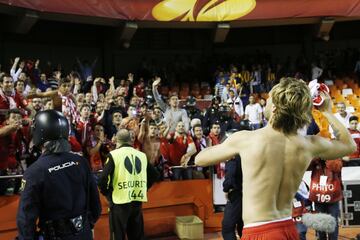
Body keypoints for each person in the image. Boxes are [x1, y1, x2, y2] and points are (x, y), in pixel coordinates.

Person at [195, 77, 356, 240]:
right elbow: (350, 146)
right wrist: (327, 111)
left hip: (259, 231)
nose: (266, 101)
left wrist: (230, 145)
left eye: (270, 98)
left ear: (275, 108)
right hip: (288, 228)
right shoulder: (308, 144)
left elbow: (200, 159)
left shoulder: (246, 139)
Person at [17, 110, 101, 240]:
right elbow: (96, 206)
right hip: (84, 233)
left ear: (38, 132)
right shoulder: (81, 162)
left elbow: (26, 218)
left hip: (56, 235)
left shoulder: (34, 172)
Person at [98, 129, 159, 240]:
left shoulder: (113, 155)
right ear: (131, 140)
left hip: (119, 201)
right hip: (137, 200)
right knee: (136, 235)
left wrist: (107, 194)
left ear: (116, 140)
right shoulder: (141, 155)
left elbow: (102, 179)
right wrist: (144, 187)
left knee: (118, 235)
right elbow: (155, 175)